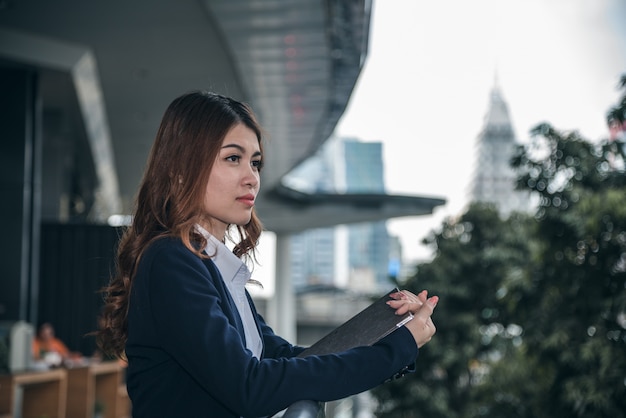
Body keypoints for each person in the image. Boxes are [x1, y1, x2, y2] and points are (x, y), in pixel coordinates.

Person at [95, 91, 438, 417]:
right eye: (233, 158)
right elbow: (251, 385)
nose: (252, 178)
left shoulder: (209, 266)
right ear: (182, 170)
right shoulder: (171, 261)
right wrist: (395, 350)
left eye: (255, 163)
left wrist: (389, 330)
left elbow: (283, 358)